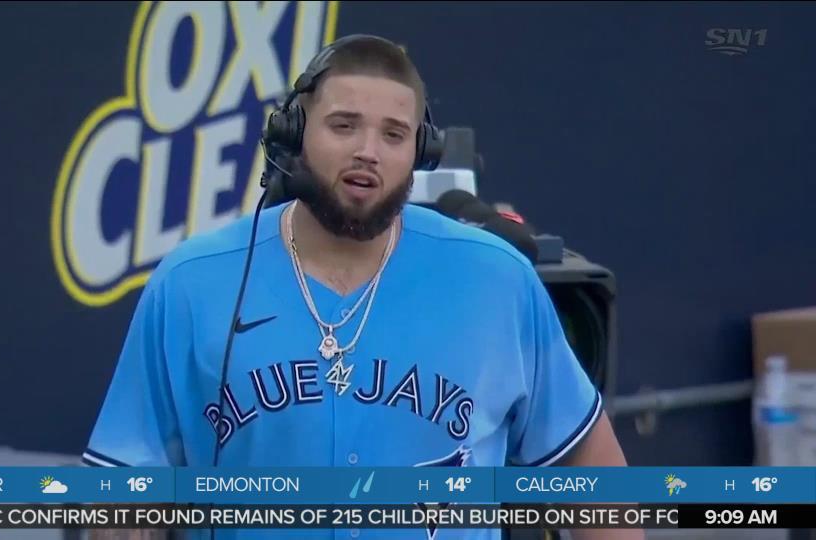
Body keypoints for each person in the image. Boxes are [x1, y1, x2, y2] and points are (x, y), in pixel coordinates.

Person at [84, 34, 639, 540]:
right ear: (295, 134)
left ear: (418, 153)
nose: (368, 151)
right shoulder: (191, 283)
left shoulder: (497, 279)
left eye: (393, 134)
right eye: (344, 125)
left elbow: (591, 472)